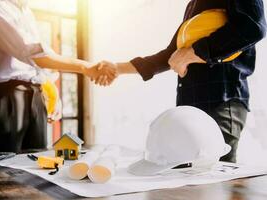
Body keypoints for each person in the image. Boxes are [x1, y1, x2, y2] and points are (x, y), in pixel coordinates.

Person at [94, 0, 267, 162]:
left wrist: (193, 53)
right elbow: (171, 54)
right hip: (189, 106)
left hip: (221, 102)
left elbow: (252, 27)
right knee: (187, 182)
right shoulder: (194, 4)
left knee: (215, 182)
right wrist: (118, 68)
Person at [0, 0, 115, 155]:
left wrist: (51, 93)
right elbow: (29, 51)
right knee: (1, 172)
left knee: (36, 168)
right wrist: (86, 67)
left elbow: (36, 63)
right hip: (5, 97)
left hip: (36, 95)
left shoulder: (24, 10)